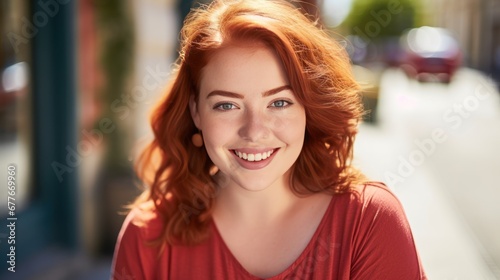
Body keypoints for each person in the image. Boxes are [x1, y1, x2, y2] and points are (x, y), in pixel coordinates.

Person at [111, 0, 427, 279]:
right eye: (227, 105)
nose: (255, 131)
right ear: (196, 112)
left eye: (279, 102)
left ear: (309, 107)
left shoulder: (369, 222)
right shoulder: (148, 237)